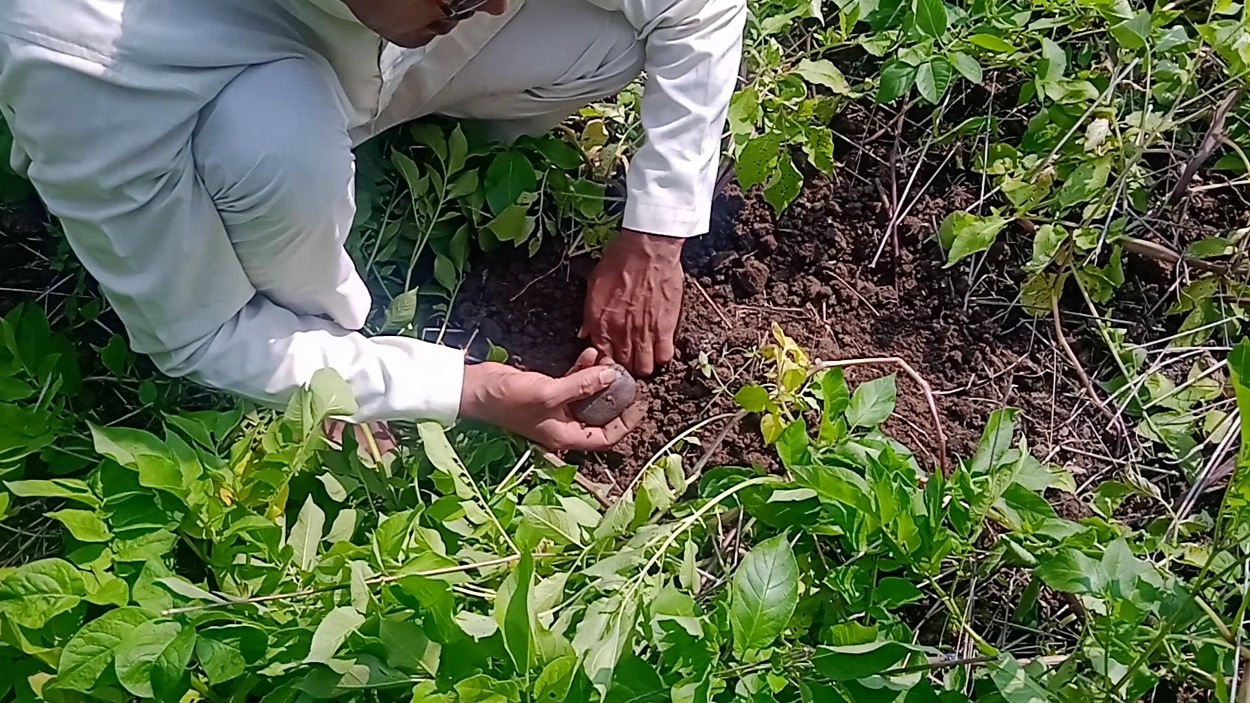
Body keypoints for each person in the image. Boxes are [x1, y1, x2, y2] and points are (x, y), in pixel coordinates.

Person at [0, 0, 746, 451]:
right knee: (275, 143)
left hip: (384, 61)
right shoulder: (77, 49)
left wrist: (657, 231)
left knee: (607, 42)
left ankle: (383, 117)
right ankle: (320, 334)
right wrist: (461, 387)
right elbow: (200, 332)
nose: (497, 7)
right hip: (241, 111)